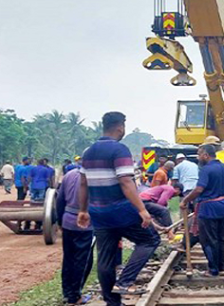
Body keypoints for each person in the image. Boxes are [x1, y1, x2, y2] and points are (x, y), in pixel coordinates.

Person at [77, 111, 160, 304]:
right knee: (150, 240)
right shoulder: (119, 149)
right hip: (120, 210)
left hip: (98, 212)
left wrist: (83, 210)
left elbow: (83, 183)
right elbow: (126, 181)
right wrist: (141, 210)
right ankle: (125, 281)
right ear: (120, 127)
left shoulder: (88, 152)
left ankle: (112, 302)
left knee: (106, 257)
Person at [180, 144, 224, 277]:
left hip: (208, 207)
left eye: (199, 155)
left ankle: (213, 269)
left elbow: (199, 189)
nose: (198, 158)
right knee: (221, 238)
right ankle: (221, 267)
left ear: (205, 155)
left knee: (208, 239)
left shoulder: (206, 170)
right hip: (222, 205)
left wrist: (185, 200)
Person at [57, 168, 94, 306]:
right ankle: (75, 296)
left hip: (67, 221)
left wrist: (60, 220)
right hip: (85, 223)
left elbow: (59, 200)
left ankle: (67, 293)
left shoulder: (69, 174)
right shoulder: (93, 176)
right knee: (82, 260)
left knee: (68, 258)